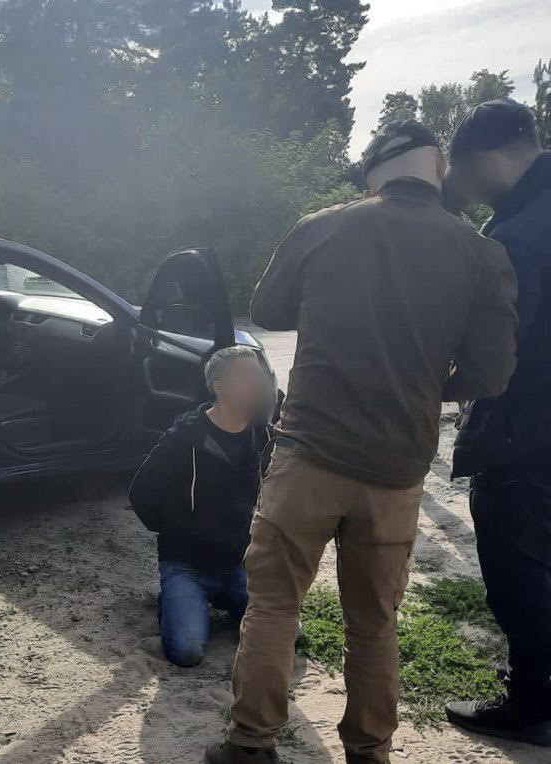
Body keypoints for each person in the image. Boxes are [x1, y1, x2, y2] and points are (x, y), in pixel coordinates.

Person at [206, 120, 519, 764]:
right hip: (396, 471)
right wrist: (427, 382)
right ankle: (370, 752)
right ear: (436, 168)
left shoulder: (326, 225)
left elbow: (265, 310)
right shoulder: (478, 251)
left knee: (272, 606)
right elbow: (492, 373)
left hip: (308, 455)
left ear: (376, 173)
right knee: (374, 622)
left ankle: (249, 746)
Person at [444, 100, 551, 746]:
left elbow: (498, 358)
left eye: (463, 170)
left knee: (518, 568)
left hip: (525, 433)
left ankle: (533, 705)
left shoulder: (515, 236)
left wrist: (442, 384)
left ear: (483, 160)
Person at [130, 346, 272, 668]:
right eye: (248, 377)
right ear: (220, 388)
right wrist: (178, 530)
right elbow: (141, 492)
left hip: (237, 565)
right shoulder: (184, 437)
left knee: (288, 632)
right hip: (186, 566)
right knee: (187, 650)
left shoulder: (261, 434)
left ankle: (218, 600)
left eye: (259, 376)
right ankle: (176, 598)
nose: (258, 384)